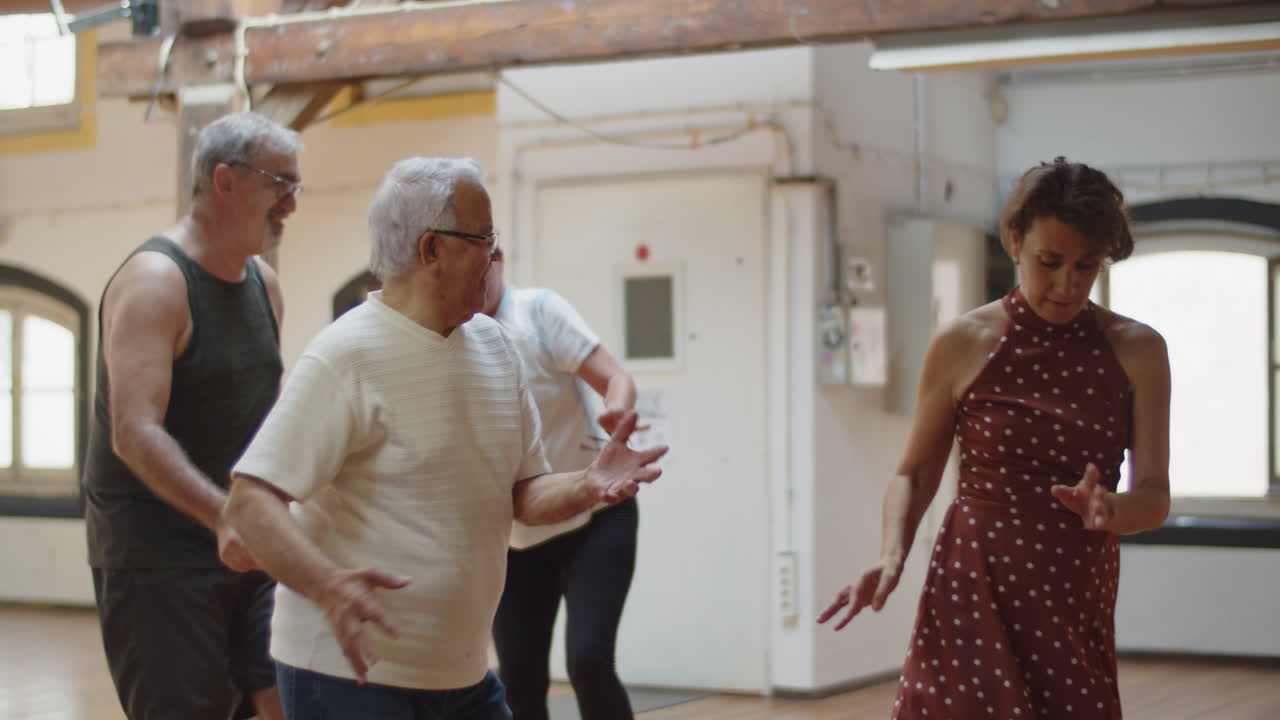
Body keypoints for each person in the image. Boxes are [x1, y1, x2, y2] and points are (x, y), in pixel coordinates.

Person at [220, 156, 668, 720]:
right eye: (484, 237)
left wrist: (587, 484)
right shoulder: (345, 356)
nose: (494, 253)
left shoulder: (496, 347)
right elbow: (249, 505)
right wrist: (328, 586)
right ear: (432, 250)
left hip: (459, 675)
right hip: (347, 671)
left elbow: (522, 494)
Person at [818, 157, 1171, 719]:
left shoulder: (1136, 349)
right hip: (972, 581)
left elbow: (1154, 496)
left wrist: (1111, 510)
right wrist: (892, 554)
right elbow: (914, 471)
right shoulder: (965, 341)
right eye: (1049, 261)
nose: (1066, 285)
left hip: (1071, 588)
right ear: (1014, 240)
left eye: (1086, 267)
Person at [83, 111, 300, 720]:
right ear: (224, 180)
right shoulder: (156, 280)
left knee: (282, 695)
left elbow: (263, 413)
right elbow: (134, 431)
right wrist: (223, 515)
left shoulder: (264, 283)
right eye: (277, 184)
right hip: (157, 552)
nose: (290, 203)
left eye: (295, 186)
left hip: (241, 536)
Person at [482, 252, 642, 720]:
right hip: (518, 538)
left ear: (497, 260)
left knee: (589, 660)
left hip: (595, 517)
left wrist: (616, 411)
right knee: (519, 678)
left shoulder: (537, 312)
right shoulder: (457, 338)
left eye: (482, 263)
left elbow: (617, 378)